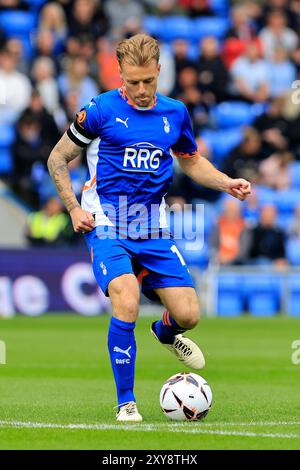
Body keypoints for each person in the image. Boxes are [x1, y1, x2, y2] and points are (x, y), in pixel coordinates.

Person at [47, 34, 251, 422]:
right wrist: (73, 208)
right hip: (106, 222)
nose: (141, 90)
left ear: (159, 71)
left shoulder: (174, 113)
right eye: (132, 82)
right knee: (126, 296)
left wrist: (227, 182)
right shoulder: (100, 110)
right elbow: (57, 160)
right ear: (120, 73)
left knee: (189, 314)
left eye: (148, 82)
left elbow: (190, 161)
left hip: (152, 227)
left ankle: (164, 332)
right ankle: (126, 402)